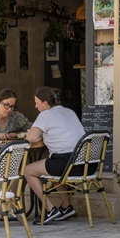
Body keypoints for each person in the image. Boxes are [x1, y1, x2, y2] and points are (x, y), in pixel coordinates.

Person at [24, 86, 85, 224]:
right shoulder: (69, 111)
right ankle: (66, 206)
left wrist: (41, 136)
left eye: (36, 102)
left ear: (45, 104)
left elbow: (31, 138)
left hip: (66, 163)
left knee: (28, 170)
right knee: (50, 165)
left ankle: (50, 209)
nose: (35, 106)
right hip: (84, 163)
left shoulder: (46, 114)